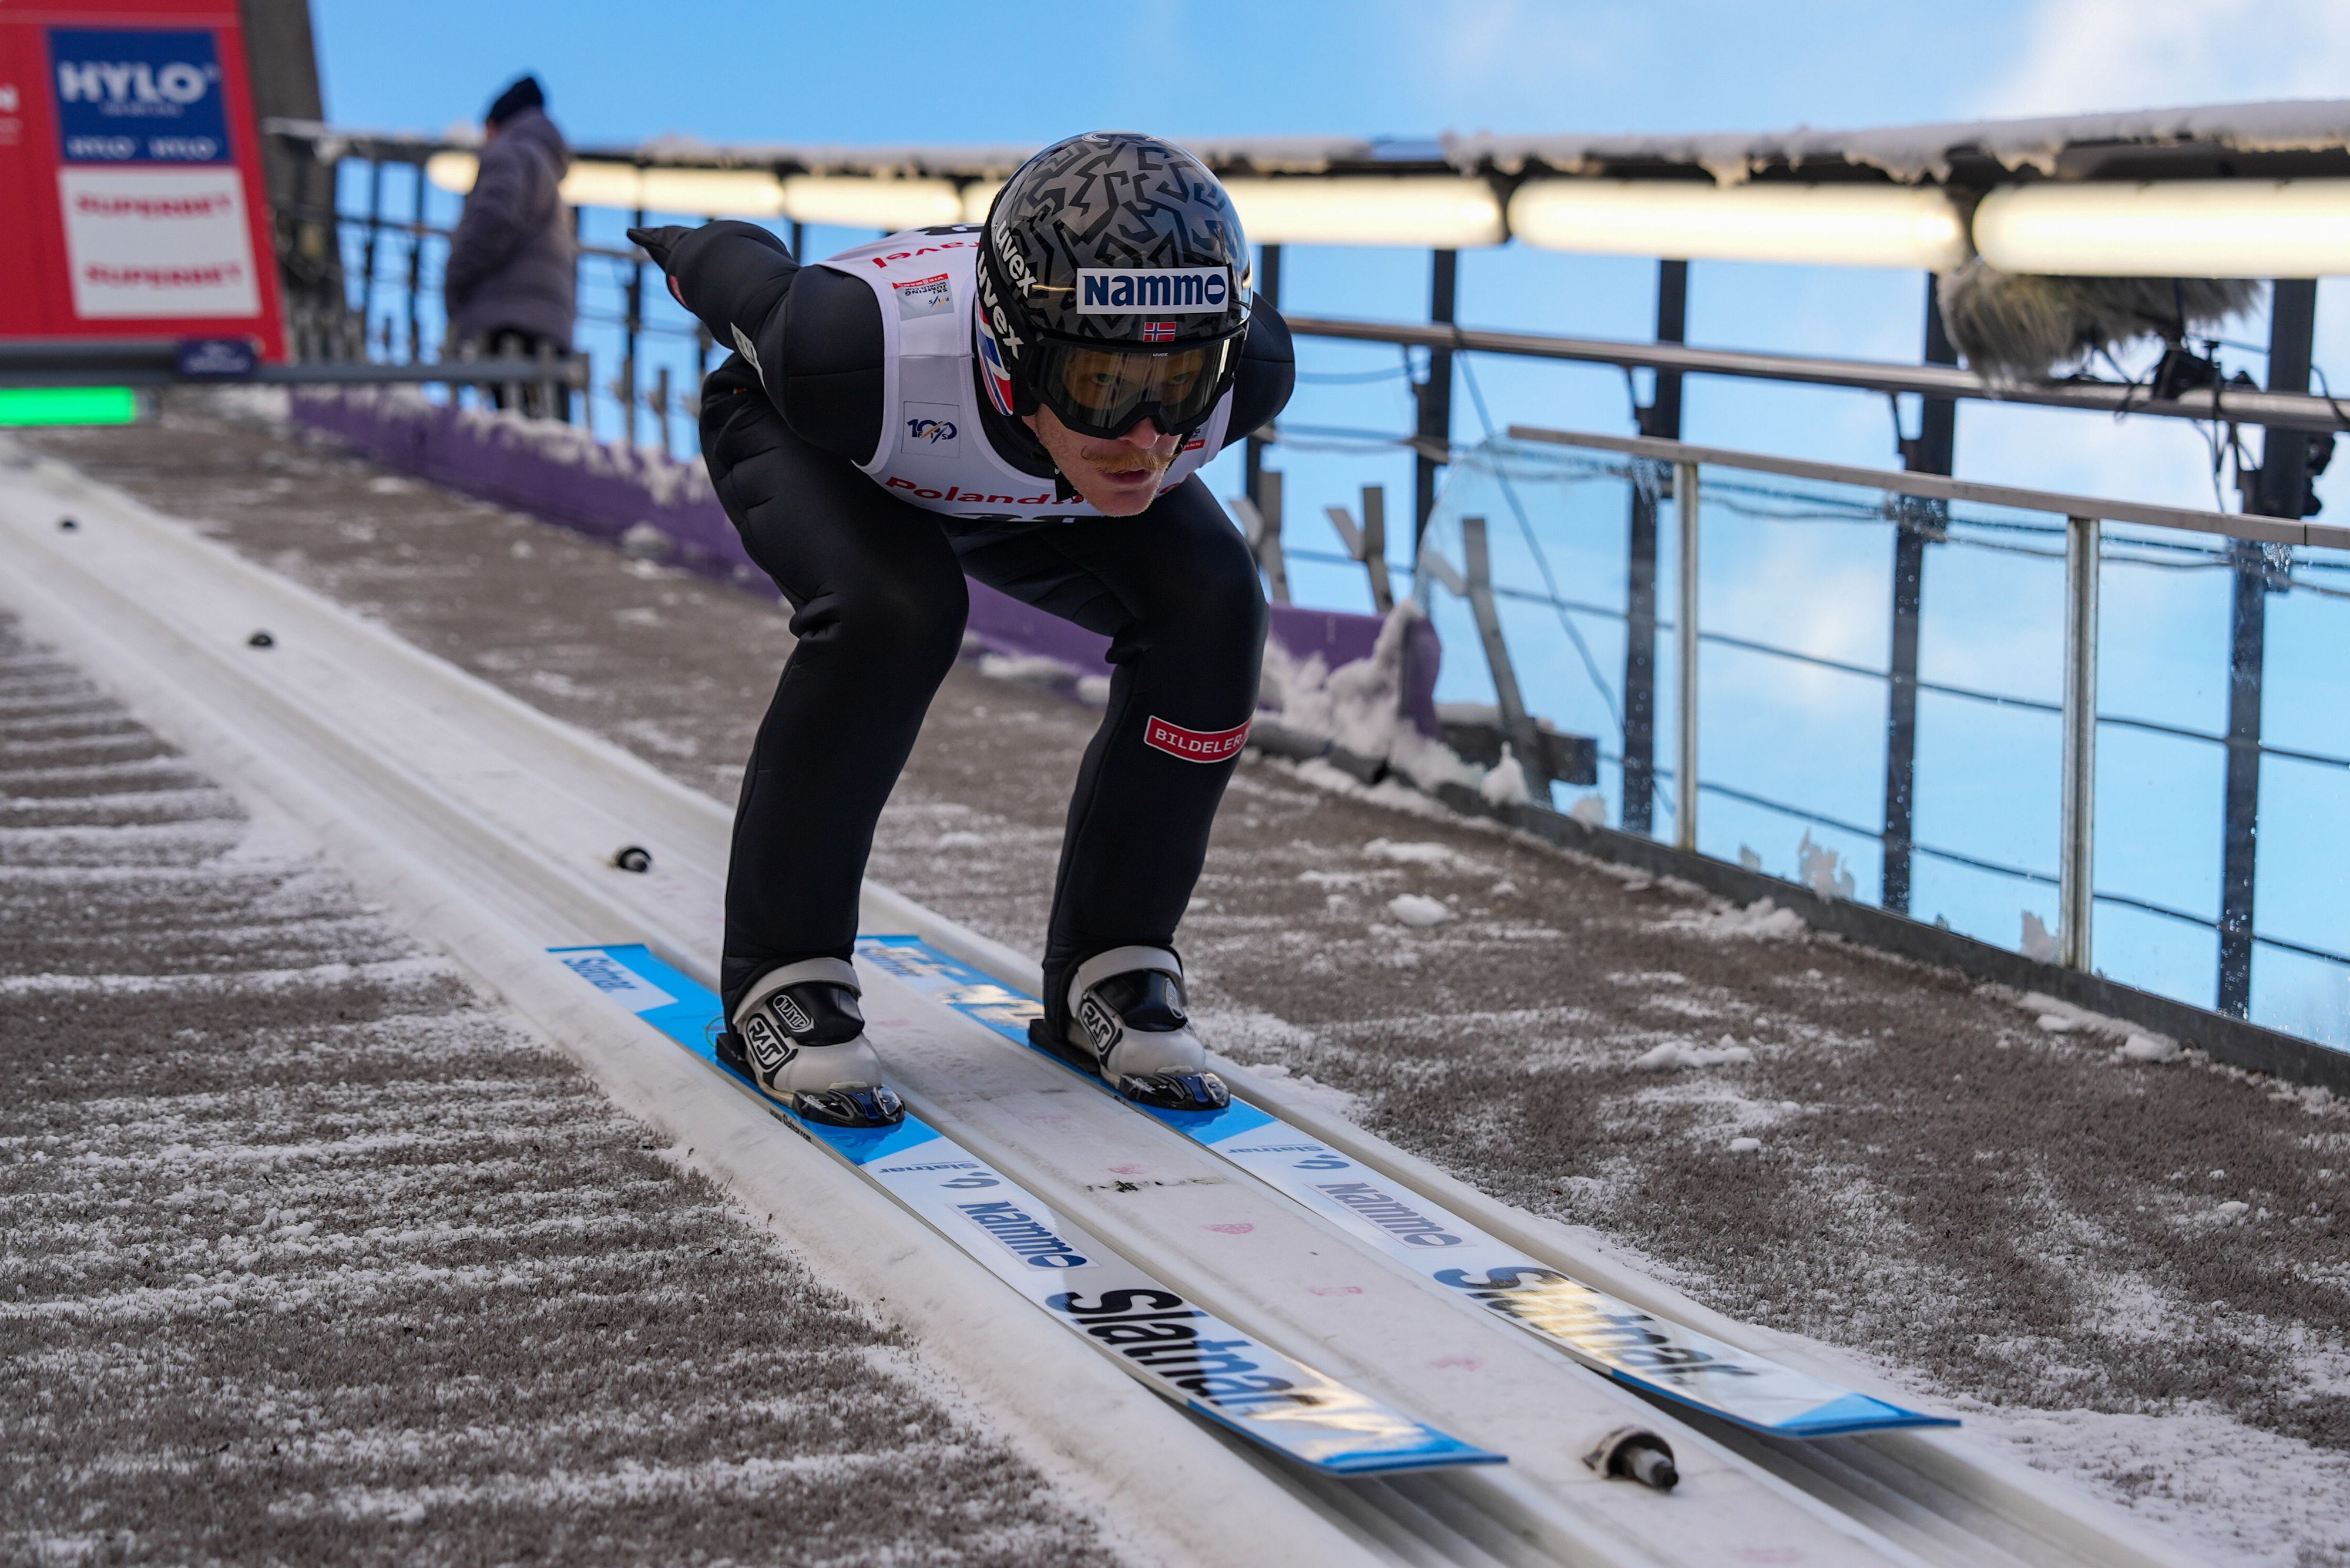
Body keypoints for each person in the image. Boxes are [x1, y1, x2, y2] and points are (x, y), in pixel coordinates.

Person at [629, 130, 1293, 1129]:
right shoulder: (843, 348)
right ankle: (784, 969)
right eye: (1108, 386)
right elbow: (737, 274)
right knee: (896, 611)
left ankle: (1113, 965)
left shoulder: (1251, 374)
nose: (1153, 437)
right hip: (835, 442)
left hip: (1031, 473)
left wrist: (1117, 404)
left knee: (1216, 605)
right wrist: (675, 239)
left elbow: (1148, 406)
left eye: (1185, 381)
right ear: (1010, 346)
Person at [445, 75, 576, 419]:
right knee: (548, 436)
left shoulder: (511, 152)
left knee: (519, 432)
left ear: (496, 124)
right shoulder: (545, 162)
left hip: (510, 316)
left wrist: (456, 281)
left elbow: (493, 219)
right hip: (547, 322)